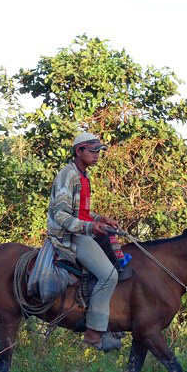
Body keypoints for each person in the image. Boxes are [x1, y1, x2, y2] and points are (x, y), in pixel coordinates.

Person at [46, 132, 131, 352]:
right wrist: (90, 227)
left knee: (119, 262)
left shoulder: (83, 176)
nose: (96, 156)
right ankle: (94, 334)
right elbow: (62, 216)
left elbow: (82, 212)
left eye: (98, 152)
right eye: (92, 151)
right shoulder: (68, 175)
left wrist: (100, 219)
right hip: (68, 238)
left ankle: (110, 320)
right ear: (78, 151)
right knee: (109, 275)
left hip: (81, 232)